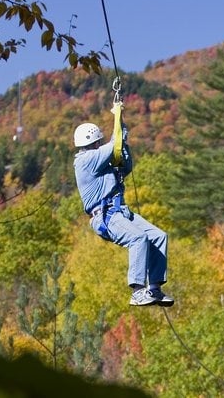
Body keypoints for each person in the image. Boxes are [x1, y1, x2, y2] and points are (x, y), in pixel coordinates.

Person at [73, 116, 174, 307]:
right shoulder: (85, 161)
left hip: (121, 211)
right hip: (105, 216)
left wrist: (123, 142)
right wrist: (119, 120)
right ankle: (137, 292)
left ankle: (154, 289)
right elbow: (113, 144)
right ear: (95, 142)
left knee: (159, 236)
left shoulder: (102, 164)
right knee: (138, 238)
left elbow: (124, 166)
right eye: (98, 142)